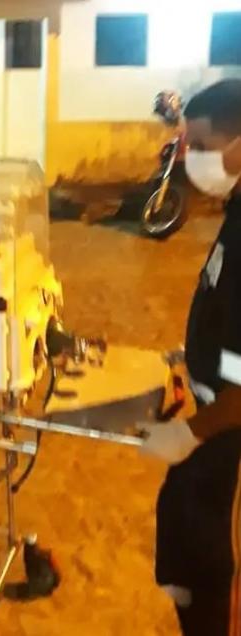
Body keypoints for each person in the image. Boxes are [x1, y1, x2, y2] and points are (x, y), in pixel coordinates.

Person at [139, 79, 241, 635]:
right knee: (183, 507)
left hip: (228, 422)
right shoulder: (235, 209)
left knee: (209, 546)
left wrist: (188, 434)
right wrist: (197, 352)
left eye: (202, 146)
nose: (192, 158)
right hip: (216, 398)